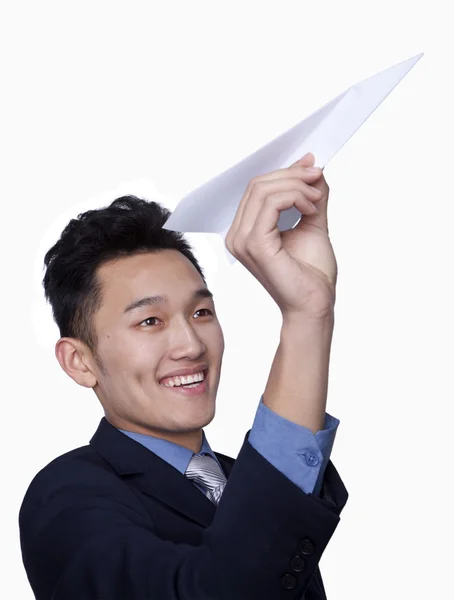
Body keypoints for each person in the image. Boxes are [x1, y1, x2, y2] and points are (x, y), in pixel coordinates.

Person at [19, 152, 348, 599]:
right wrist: (307, 318)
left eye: (200, 311)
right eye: (149, 321)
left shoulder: (245, 480)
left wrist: (313, 304)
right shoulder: (67, 496)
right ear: (80, 361)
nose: (191, 345)